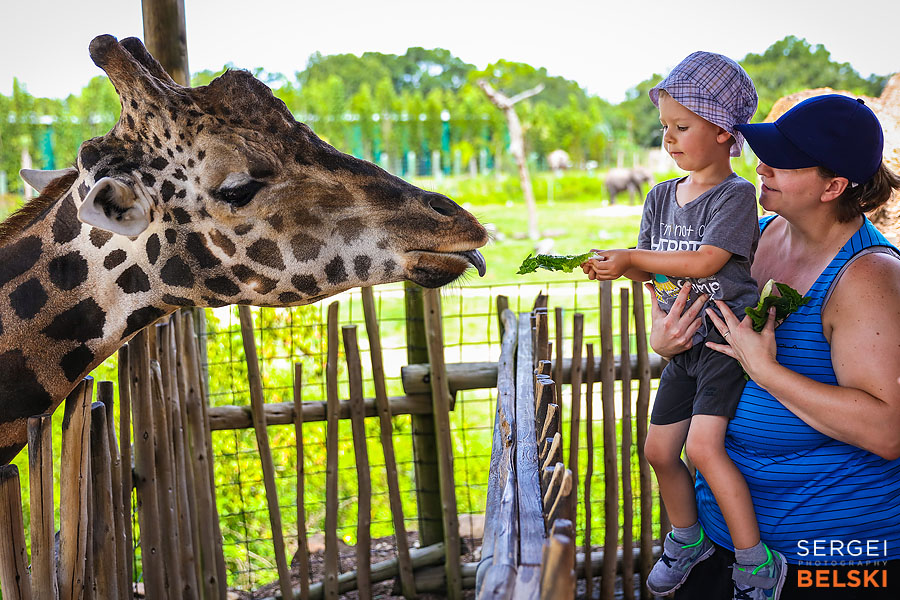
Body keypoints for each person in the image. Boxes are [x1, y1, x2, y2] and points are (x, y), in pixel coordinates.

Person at [649, 94, 900, 599]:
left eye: (783, 161)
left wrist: (765, 371)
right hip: (729, 538)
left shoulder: (870, 276)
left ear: (833, 186)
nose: (762, 166)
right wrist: (664, 339)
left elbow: (888, 431)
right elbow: (688, 316)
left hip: (829, 558)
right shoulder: (754, 235)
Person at [582, 51, 787, 598]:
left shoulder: (736, 195)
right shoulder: (658, 196)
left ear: (723, 132)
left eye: (682, 126)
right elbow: (649, 267)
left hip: (723, 341)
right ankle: (687, 538)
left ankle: (753, 560)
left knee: (702, 450)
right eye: (664, 127)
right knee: (656, 451)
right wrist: (617, 265)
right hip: (683, 345)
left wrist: (632, 257)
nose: (669, 138)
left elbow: (705, 262)